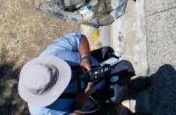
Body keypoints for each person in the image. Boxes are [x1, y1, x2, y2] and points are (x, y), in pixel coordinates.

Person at [17, 31, 149, 115]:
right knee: (115, 112)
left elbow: (79, 38)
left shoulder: (51, 53)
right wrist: (82, 101)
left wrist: (85, 58)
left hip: (100, 70)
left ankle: (129, 87)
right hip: (92, 104)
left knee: (123, 72)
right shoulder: (42, 112)